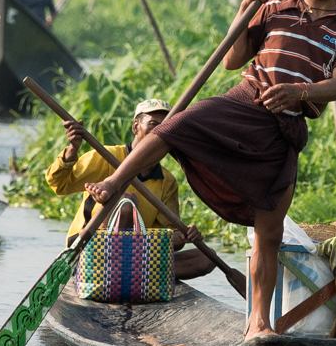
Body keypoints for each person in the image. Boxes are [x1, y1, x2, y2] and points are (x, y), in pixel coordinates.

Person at [84, 0, 336, 338]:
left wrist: (299, 91)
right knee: (175, 125)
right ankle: (114, 181)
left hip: (284, 127)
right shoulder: (273, 9)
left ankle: (258, 325)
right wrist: (246, 7)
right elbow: (233, 59)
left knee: (267, 234)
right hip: (243, 102)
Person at [45, 98, 214, 281]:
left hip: (136, 256)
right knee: (126, 202)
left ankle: (126, 275)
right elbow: (59, 184)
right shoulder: (104, 156)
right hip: (91, 248)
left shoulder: (167, 181)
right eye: (152, 125)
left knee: (206, 257)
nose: (159, 133)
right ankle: (117, 272)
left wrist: (183, 235)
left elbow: (169, 238)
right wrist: (72, 150)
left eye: (165, 127)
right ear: (135, 127)